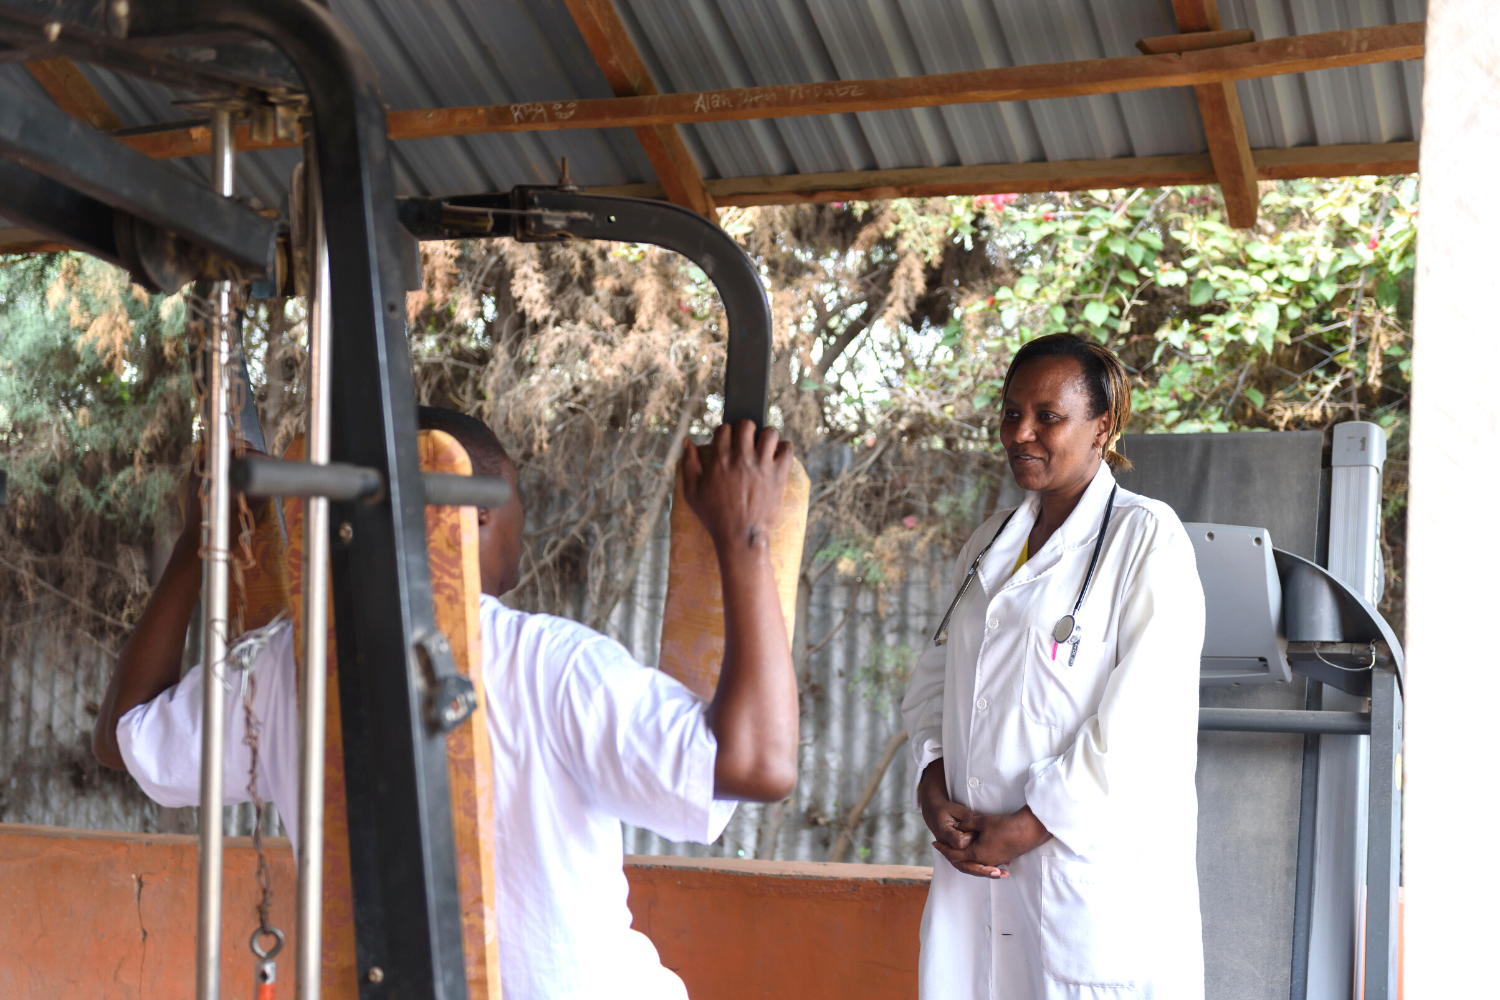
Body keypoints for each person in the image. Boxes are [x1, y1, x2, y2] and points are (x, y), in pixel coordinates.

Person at [92, 408, 800, 1000]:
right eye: (514, 494)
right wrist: (745, 537)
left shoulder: (284, 669)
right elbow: (759, 765)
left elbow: (123, 737)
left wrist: (198, 540)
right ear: (474, 513)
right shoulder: (551, 665)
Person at [901, 334, 1205, 999]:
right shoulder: (989, 543)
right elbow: (936, 678)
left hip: (1082, 877)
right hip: (975, 872)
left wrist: (1029, 827)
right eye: (1012, 413)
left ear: (1103, 426)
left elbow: (1141, 722)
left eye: (1048, 415)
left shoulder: (1145, 537)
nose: (1022, 432)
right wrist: (930, 777)